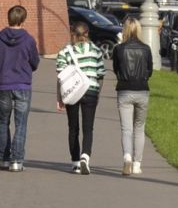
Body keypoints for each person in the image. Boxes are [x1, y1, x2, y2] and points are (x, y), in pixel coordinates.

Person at [0, 3, 40, 170]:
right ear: (23, 20)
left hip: (3, 84)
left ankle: (3, 158)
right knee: (21, 123)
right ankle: (17, 160)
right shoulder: (29, 40)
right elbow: (35, 62)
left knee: (2, 122)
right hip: (22, 84)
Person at [55, 17, 107, 173]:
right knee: (88, 128)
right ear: (87, 33)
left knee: (73, 128)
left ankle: (76, 161)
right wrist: (97, 94)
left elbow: (61, 77)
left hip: (73, 93)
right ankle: (86, 156)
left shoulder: (65, 52)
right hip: (91, 90)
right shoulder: (96, 51)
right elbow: (100, 75)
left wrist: (59, 97)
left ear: (72, 34)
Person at [112, 15, 154, 175]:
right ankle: (137, 164)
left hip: (124, 90)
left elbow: (116, 69)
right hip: (142, 90)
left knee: (126, 129)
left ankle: (127, 158)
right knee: (139, 127)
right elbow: (149, 70)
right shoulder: (146, 49)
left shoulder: (119, 49)